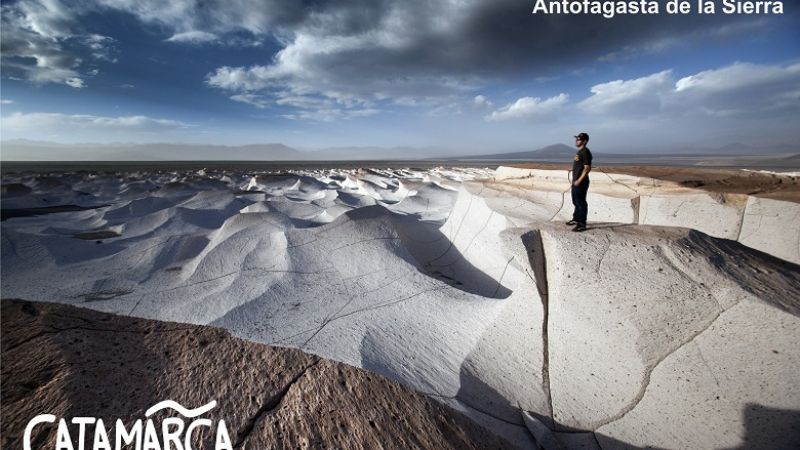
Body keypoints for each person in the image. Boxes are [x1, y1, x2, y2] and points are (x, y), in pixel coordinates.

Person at [567, 132, 592, 232]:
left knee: (581, 203)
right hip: (576, 182)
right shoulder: (580, 152)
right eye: (576, 139)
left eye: (579, 139)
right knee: (576, 202)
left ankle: (582, 224)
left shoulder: (585, 152)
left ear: (584, 141)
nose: (576, 140)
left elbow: (587, 168)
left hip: (581, 183)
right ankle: (576, 219)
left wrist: (579, 181)